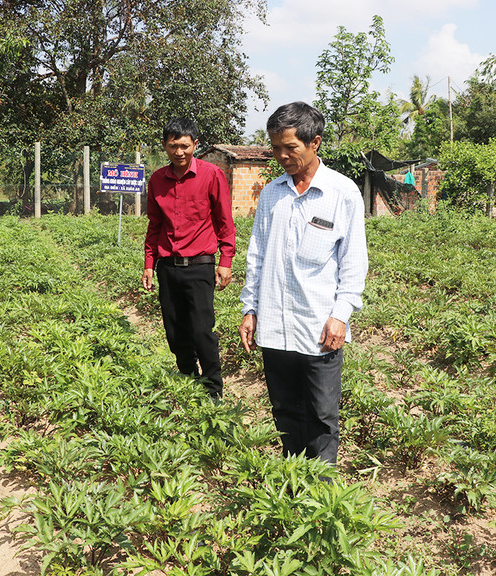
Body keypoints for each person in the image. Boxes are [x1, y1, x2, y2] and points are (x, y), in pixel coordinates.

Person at [239, 102, 368, 466]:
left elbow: (354, 263)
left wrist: (341, 315)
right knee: (285, 412)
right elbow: (257, 257)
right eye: (275, 148)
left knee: (322, 416)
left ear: (315, 143)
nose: (281, 156)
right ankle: (294, 480)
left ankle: (321, 491)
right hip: (276, 327)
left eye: (289, 147)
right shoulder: (271, 194)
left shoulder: (342, 193)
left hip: (318, 327)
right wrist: (250, 308)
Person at [142, 117, 236, 400]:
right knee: (174, 330)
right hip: (167, 267)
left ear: (195, 145)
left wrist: (226, 261)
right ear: (164, 146)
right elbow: (154, 225)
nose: (179, 152)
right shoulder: (157, 179)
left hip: (200, 265)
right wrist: (149, 265)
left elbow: (225, 222)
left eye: (185, 146)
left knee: (201, 331)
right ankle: (187, 381)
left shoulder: (211, 175)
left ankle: (212, 391)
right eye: (173, 146)